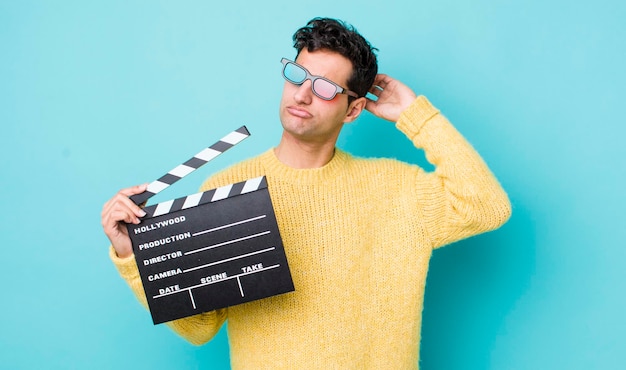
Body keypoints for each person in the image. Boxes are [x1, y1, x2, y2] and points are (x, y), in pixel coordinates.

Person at [102, 17, 511, 369]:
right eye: (297, 76)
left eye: (326, 88)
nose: (302, 94)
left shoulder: (397, 188)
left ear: (353, 110)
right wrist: (131, 255)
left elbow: (486, 206)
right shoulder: (226, 191)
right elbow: (199, 326)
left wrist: (414, 116)